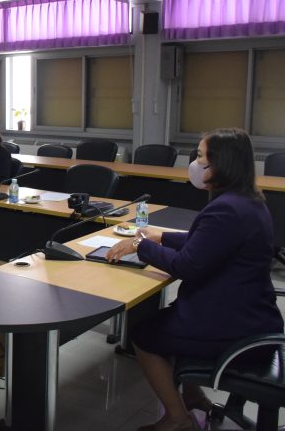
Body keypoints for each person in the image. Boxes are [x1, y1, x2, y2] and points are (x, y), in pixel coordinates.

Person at [106, 128, 283, 431]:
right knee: (170, 319)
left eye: (201, 157)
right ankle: (195, 396)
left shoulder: (226, 208)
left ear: (222, 164)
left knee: (145, 336)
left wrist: (140, 246)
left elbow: (187, 267)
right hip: (251, 313)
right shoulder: (247, 201)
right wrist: (160, 234)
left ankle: (177, 418)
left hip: (233, 324)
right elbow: (208, 240)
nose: (196, 163)